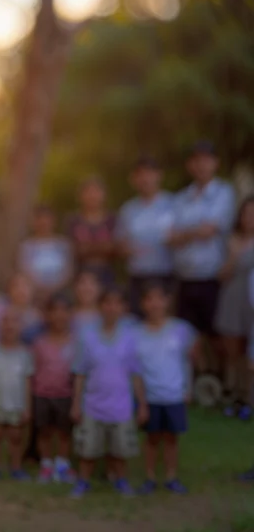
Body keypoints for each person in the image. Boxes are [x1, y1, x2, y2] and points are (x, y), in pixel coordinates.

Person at [71, 286, 147, 497]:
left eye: (117, 303)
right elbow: (80, 373)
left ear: (123, 308)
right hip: (92, 404)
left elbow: (136, 374)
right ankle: (83, 482)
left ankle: (121, 481)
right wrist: (76, 404)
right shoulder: (87, 336)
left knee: (120, 449)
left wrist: (142, 404)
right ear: (100, 306)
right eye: (107, 303)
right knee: (88, 449)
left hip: (121, 405)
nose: (111, 308)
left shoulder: (131, 337)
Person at [168, 140, 236, 367]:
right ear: (190, 165)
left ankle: (221, 381)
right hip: (185, 278)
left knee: (217, 336)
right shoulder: (180, 198)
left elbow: (210, 230)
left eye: (206, 160)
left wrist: (184, 234)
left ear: (215, 163)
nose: (201, 165)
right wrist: (195, 231)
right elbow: (171, 237)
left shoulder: (224, 193)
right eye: (196, 160)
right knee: (187, 337)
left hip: (212, 278)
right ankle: (196, 379)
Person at [134, 283, 197, 494]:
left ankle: (171, 477)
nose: (155, 304)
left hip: (174, 394)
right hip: (150, 395)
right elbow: (135, 369)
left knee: (171, 438)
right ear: (143, 304)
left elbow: (188, 361)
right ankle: (150, 477)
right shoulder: (136, 333)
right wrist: (140, 400)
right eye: (149, 299)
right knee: (151, 438)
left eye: (159, 299)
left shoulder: (182, 329)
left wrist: (188, 388)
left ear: (167, 301)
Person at [116, 156, 176, 315]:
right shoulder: (128, 209)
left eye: (149, 173)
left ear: (159, 175)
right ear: (133, 179)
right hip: (137, 276)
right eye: (140, 174)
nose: (145, 179)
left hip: (165, 275)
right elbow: (120, 244)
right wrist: (125, 250)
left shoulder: (173, 204)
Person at [0, 309, 33, 481]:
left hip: (16, 403)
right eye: (5, 321)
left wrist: (27, 407)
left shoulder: (25, 354)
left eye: (14, 322)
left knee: (16, 437)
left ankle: (16, 468)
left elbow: (27, 382)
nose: (9, 326)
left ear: (20, 327)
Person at [215, 197, 254, 417]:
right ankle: (234, 394)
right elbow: (221, 275)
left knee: (251, 352)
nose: (250, 218)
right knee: (233, 353)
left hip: (252, 299)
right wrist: (234, 255)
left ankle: (249, 397)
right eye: (246, 214)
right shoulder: (230, 241)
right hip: (233, 296)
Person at [32, 294, 76, 483]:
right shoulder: (39, 343)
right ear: (47, 315)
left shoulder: (75, 342)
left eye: (64, 311)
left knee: (64, 432)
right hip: (42, 394)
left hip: (66, 394)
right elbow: (34, 370)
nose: (59, 315)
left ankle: (62, 464)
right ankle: (46, 464)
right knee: (45, 431)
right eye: (55, 311)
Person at [67, 176, 116, 284]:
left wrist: (88, 248)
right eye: (88, 192)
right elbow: (72, 249)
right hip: (81, 273)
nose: (92, 196)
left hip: (107, 273)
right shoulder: (73, 221)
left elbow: (116, 247)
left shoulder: (112, 220)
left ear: (104, 195)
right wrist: (102, 247)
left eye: (96, 191)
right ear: (80, 196)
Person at [18, 205, 74, 301]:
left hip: (60, 295)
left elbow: (69, 270)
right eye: (39, 219)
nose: (43, 223)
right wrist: (40, 290)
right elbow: (24, 270)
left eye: (47, 219)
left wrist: (54, 290)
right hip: (34, 295)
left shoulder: (63, 244)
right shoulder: (27, 246)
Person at [6, 273, 44, 343]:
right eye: (16, 286)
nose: (21, 290)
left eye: (25, 286)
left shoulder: (39, 318)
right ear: (9, 290)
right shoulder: (3, 316)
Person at [71, 270, 103, 340]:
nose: (87, 288)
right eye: (83, 283)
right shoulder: (66, 316)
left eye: (92, 283)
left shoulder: (107, 317)